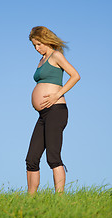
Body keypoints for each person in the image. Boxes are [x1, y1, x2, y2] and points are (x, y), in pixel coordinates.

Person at [25, 26, 80, 195]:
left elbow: (75, 75)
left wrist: (57, 94)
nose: (37, 48)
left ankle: (59, 198)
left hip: (57, 110)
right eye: (34, 45)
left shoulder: (56, 55)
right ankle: (30, 199)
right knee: (32, 158)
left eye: (39, 44)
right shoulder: (41, 60)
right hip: (43, 114)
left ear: (46, 40)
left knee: (53, 157)